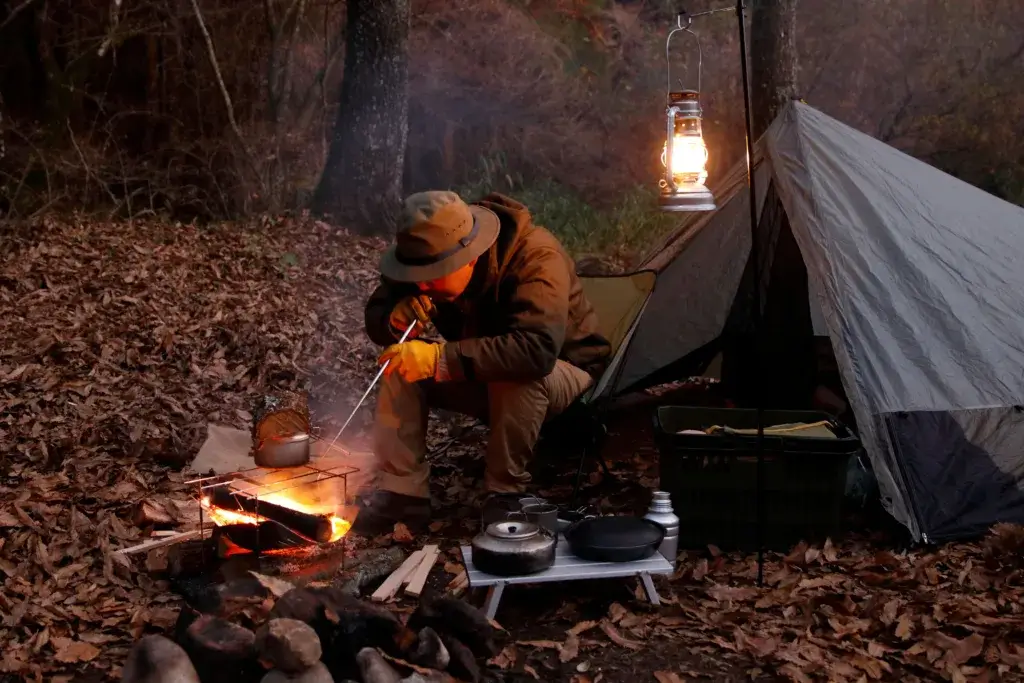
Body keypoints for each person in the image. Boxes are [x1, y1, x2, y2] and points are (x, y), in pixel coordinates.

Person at [352, 190, 611, 534]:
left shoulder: (535, 256)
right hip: (485, 372)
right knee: (401, 364)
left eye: (434, 274)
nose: (423, 285)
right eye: (417, 276)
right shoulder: (423, 251)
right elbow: (378, 314)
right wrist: (393, 320)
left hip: (565, 377)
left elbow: (535, 351)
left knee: (514, 372)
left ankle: (505, 496)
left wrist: (438, 358)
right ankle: (403, 494)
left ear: (470, 257)